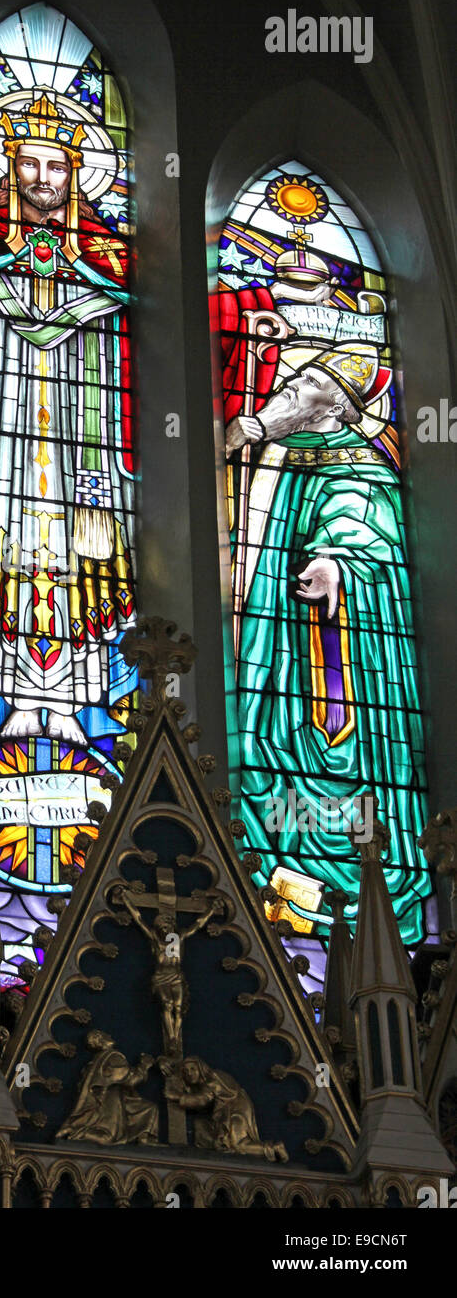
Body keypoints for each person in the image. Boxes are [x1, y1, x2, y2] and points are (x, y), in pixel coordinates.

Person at [0, 92, 137, 747]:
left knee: (80, 569)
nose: (43, 179)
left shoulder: (106, 264)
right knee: (4, 553)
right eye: (29, 164)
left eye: (57, 167)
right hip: (1, 440)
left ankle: (70, 705)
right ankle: (13, 697)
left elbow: (113, 354)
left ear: (76, 174)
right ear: (9, 168)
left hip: (82, 453)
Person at [226, 344, 429, 938]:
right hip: (276, 642)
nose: (291, 385)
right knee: (276, 736)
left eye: (308, 382)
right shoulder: (286, 452)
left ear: (336, 404)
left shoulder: (359, 464)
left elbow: (363, 523)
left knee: (338, 748)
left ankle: (359, 889)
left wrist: (338, 566)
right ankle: (280, 866)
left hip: (339, 657)